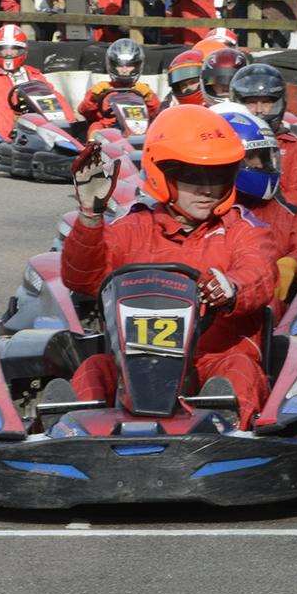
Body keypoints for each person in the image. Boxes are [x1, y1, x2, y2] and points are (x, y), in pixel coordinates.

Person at [62, 106, 279, 418]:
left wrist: (231, 287)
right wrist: (90, 216)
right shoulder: (134, 227)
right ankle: (72, 431)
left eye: (217, 177)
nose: (207, 189)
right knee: (95, 368)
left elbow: (260, 273)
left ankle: (227, 430)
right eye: (193, 177)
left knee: (239, 369)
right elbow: (82, 279)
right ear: (161, 174)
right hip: (137, 362)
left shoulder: (242, 229)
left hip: (210, 359)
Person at [221, 112, 297, 306]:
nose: (259, 164)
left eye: (263, 157)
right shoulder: (202, 214)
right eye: (250, 158)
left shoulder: (279, 211)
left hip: (260, 318)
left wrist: (293, 262)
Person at [230, 63, 297, 212]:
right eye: (251, 103)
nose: (259, 110)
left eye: (266, 103)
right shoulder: (227, 141)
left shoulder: (295, 147)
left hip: (279, 215)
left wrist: (269, 210)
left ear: (280, 103)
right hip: (233, 213)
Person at [0, 24, 78, 139]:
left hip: (35, 126)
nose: (8, 53)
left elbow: (53, 101)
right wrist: (13, 117)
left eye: (13, 49)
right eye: (3, 49)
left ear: (23, 51)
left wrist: (68, 121)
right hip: (3, 131)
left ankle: (67, 137)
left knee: (56, 101)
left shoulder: (35, 75)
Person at [78, 39, 160, 135]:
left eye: (129, 66)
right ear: (112, 65)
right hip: (109, 130)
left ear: (138, 65)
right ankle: (95, 149)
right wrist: (93, 97)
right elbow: (84, 112)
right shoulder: (102, 89)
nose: (124, 70)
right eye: (120, 66)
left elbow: (157, 114)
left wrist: (149, 97)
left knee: (157, 131)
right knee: (95, 128)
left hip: (139, 129)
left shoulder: (142, 90)